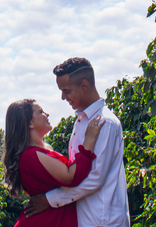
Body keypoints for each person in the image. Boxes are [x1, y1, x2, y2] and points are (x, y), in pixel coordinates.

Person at [24, 58, 130, 227]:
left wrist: (50, 199)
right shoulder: (81, 121)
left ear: (84, 86)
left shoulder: (105, 122)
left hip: (104, 220)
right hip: (85, 218)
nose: (62, 97)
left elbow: (95, 177)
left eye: (66, 91)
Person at [1, 99, 105, 227]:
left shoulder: (35, 153)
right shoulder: (31, 155)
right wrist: (89, 141)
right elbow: (71, 176)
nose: (47, 114)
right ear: (30, 123)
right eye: (41, 112)